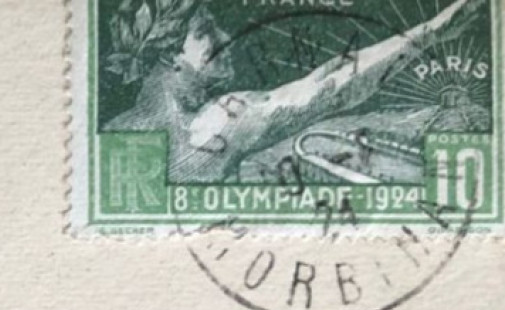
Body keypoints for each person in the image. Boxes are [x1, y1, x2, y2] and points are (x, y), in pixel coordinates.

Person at [103, 0, 483, 182]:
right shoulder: (210, 125)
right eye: (205, 33)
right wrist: (430, 33)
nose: (225, 38)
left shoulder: (119, 130)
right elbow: (329, 90)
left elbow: (321, 81)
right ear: (170, 54)